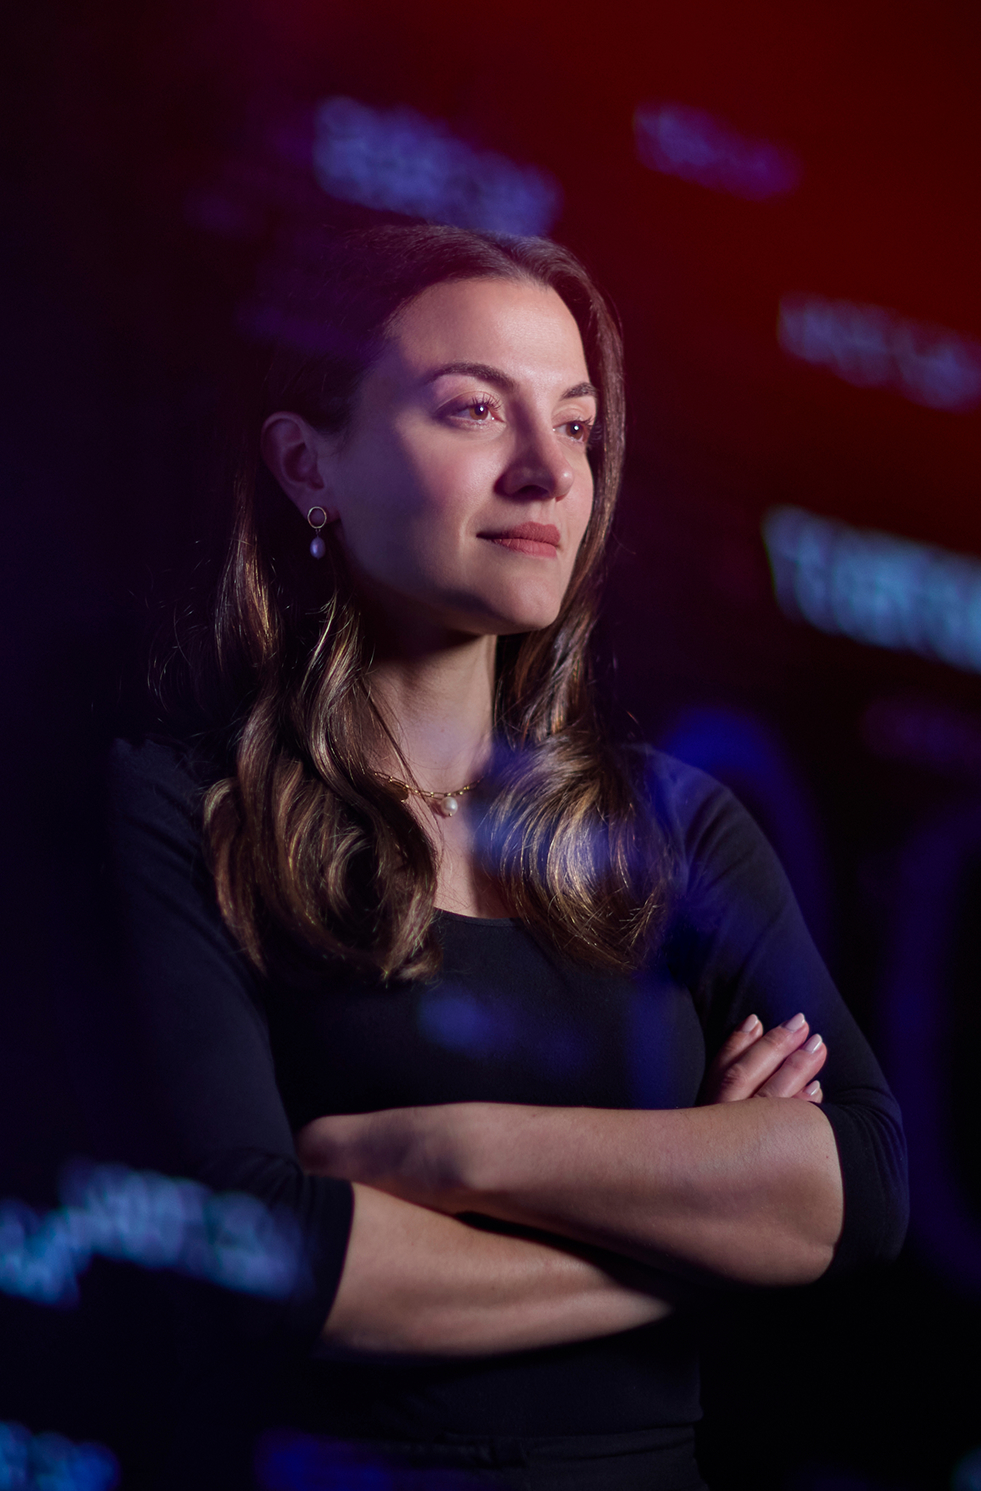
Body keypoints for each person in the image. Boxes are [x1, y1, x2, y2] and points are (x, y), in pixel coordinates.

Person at [109, 224, 908, 1490]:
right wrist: (705, 1216)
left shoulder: (679, 831)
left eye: (579, 426)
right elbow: (261, 1259)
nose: (549, 473)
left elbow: (860, 1190)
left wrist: (448, 1156)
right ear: (307, 461)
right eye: (476, 409)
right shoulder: (180, 810)